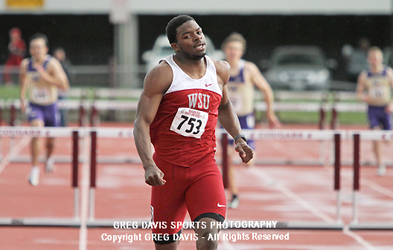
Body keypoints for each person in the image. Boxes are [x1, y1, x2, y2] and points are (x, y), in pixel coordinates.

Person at [133, 15, 253, 250]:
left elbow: (225, 106)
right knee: (166, 246)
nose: (197, 37)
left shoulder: (220, 70)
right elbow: (141, 122)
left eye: (198, 32)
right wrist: (148, 164)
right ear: (175, 46)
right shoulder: (163, 74)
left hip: (203, 167)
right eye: (187, 35)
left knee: (209, 236)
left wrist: (238, 137)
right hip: (167, 171)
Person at [221, 32, 281, 209]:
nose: (233, 52)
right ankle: (234, 194)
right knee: (227, 157)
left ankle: (234, 189)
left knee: (248, 161)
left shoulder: (248, 69)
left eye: (237, 49)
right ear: (225, 50)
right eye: (230, 48)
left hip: (244, 120)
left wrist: (270, 113)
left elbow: (266, 90)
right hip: (225, 119)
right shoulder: (219, 69)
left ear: (241, 51)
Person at [19, 33, 69, 186]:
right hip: (35, 105)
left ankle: (49, 157)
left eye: (39, 47)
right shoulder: (25, 65)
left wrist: (45, 77)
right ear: (30, 50)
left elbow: (64, 86)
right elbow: (23, 83)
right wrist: (22, 98)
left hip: (51, 105)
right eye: (33, 48)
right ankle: (34, 168)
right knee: (36, 130)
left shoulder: (52, 64)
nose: (36, 50)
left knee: (51, 141)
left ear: (45, 49)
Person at [356, 46, 393, 176]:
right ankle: (381, 164)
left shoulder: (388, 73)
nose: (375, 61)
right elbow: (358, 93)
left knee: (388, 139)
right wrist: (364, 97)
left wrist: (392, 104)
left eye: (377, 58)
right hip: (373, 109)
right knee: (375, 135)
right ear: (369, 60)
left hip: (386, 108)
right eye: (372, 59)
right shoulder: (365, 75)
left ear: (381, 59)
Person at [53, 47, 73, 127]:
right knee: (54, 109)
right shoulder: (52, 65)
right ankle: (55, 125)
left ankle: (63, 124)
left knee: (63, 109)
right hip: (54, 90)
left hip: (63, 90)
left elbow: (69, 78)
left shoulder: (65, 65)